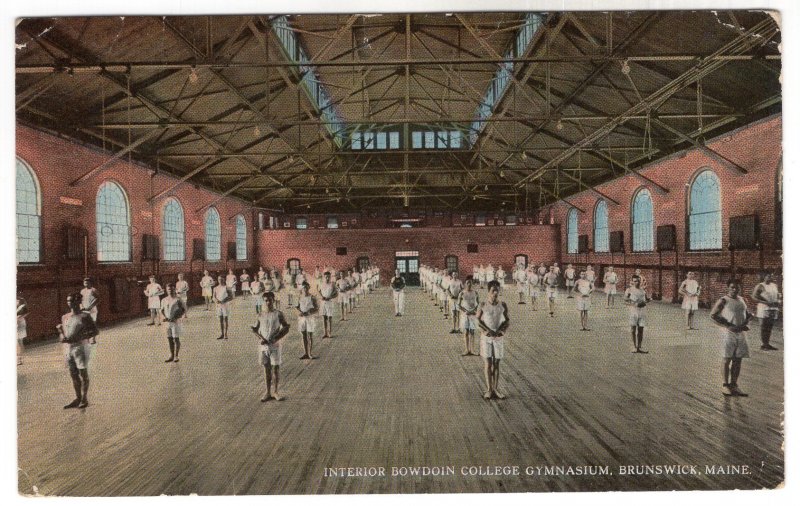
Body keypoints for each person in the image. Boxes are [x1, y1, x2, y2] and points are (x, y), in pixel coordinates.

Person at [711, 280, 753, 397]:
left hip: (741, 333)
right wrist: (728, 325)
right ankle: (725, 385)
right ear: (728, 288)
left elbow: (746, 314)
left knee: (738, 359)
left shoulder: (742, 300)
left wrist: (748, 320)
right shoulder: (723, 300)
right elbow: (713, 315)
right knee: (727, 358)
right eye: (732, 287)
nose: (735, 290)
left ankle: (734, 385)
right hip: (728, 333)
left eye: (737, 288)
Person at [58, 292, 99, 409]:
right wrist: (61, 334)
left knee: (83, 373)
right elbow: (64, 335)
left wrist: (81, 336)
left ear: (78, 302)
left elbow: (95, 331)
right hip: (69, 348)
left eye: (72, 301)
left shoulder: (85, 316)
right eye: (68, 301)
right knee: (73, 374)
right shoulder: (65, 317)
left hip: (81, 347)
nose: (69, 303)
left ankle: (84, 398)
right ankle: (77, 398)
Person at [252, 292, 291, 402]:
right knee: (266, 369)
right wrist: (260, 338)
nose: (268, 302)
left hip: (275, 346)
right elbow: (255, 329)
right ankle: (268, 392)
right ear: (263, 301)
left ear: (273, 300)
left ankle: (276, 392)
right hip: (263, 347)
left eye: (270, 300)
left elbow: (286, 328)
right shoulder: (260, 315)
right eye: (266, 300)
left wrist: (276, 338)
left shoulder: (278, 314)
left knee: (275, 369)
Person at [477, 280, 510, 400]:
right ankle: (489, 389)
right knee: (488, 363)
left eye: (497, 290)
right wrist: (485, 330)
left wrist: (502, 330)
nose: (495, 293)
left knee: (496, 363)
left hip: (498, 338)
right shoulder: (483, 305)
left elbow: (507, 320)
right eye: (493, 291)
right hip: (486, 338)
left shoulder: (503, 305)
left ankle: (496, 389)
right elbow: (478, 321)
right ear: (488, 291)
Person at [752, 272, 781, 351]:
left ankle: (767, 344)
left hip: (773, 308)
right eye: (768, 276)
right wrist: (765, 302)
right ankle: (763, 345)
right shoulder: (760, 286)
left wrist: (778, 301)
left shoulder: (774, 285)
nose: (770, 277)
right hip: (763, 308)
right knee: (764, 327)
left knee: (769, 327)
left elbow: (778, 295)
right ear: (764, 277)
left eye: (771, 276)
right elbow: (754, 297)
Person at [160, 283, 187, 363]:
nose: (170, 291)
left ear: (174, 289)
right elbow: (161, 311)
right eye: (169, 289)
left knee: (176, 339)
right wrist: (164, 317)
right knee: (169, 339)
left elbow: (184, 309)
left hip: (175, 322)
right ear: (166, 290)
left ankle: (176, 356)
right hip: (168, 322)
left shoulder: (178, 299)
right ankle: (171, 355)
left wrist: (177, 317)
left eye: (172, 289)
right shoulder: (164, 300)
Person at [624, 277, 650, 353]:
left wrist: (648, 301)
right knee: (633, 329)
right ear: (632, 281)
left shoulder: (643, 290)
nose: (637, 283)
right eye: (635, 281)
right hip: (633, 311)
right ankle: (633, 346)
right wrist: (635, 303)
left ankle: (639, 347)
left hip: (642, 311)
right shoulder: (629, 290)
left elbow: (646, 300)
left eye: (638, 281)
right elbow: (625, 300)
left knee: (641, 329)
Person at [296, 282, 319, 360]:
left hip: (310, 318)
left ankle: (310, 353)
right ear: (302, 289)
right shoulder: (300, 297)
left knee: (309, 335)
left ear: (309, 288)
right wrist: (300, 312)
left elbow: (316, 308)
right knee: (303, 335)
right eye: (303, 288)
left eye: (306, 287)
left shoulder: (312, 297)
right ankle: (305, 353)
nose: (305, 289)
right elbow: (298, 307)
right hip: (302, 318)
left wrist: (309, 312)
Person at [458, 277, 480, 356]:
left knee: (472, 332)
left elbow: (478, 303)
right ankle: (467, 349)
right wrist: (465, 311)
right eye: (467, 283)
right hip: (465, 315)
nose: (469, 284)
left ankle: (472, 349)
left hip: (473, 314)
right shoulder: (462, 293)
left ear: (472, 284)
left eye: (470, 283)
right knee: (466, 332)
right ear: (465, 284)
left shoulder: (475, 293)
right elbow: (459, 305)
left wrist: (474, 311)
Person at [319, 271, 338, 339]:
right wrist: (321, 296)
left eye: (328, 277)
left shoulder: (332, 284)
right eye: (326, 277)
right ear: (324, 277)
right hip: (323, 302)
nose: (327, 278)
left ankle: (329, 333)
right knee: (324, 318)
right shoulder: (321, 284)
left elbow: (336, 294)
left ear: (330, 277)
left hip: (329, 302)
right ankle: (325, 333)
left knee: (329, 317)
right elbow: (319, 291)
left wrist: (330, 297)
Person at [214, 275, 231, 340]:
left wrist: (225, 300)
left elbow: (231, 296)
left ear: (223, 280)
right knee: (220, 320)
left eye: (221, 279)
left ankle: (226, 334)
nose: (220, 281)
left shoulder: (226, 287)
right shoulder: (215, 288)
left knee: (225, 319)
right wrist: (216, 300)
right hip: (218, 306)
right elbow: (213, 297)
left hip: (225, 305)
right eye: (219, 279)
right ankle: (222, 334)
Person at [17, 296, 28, 366]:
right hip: (17, 324)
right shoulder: (18, 307)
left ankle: (19, 358)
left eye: (16, 301)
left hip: (19, 324)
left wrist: (20, 317)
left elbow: (26, 313)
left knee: (18, 341)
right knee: (19, 341)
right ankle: (19, 358)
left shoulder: (22, 306)